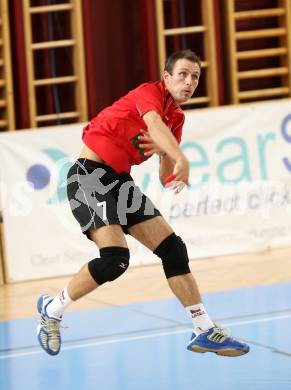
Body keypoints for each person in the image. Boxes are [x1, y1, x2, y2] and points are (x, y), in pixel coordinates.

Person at [37, 49, 249, 357]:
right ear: (166, 77)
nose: (189, 82)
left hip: (120, 181)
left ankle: (203, 329)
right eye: (183, 75)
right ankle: (52, 309)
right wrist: (179, 155)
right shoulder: (148, 93)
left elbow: (165, 175)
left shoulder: (176, 117)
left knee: (173, 249)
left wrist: (167, 157)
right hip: (88, 175)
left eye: (195, 77)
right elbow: (153, 123)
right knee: (114, 259)